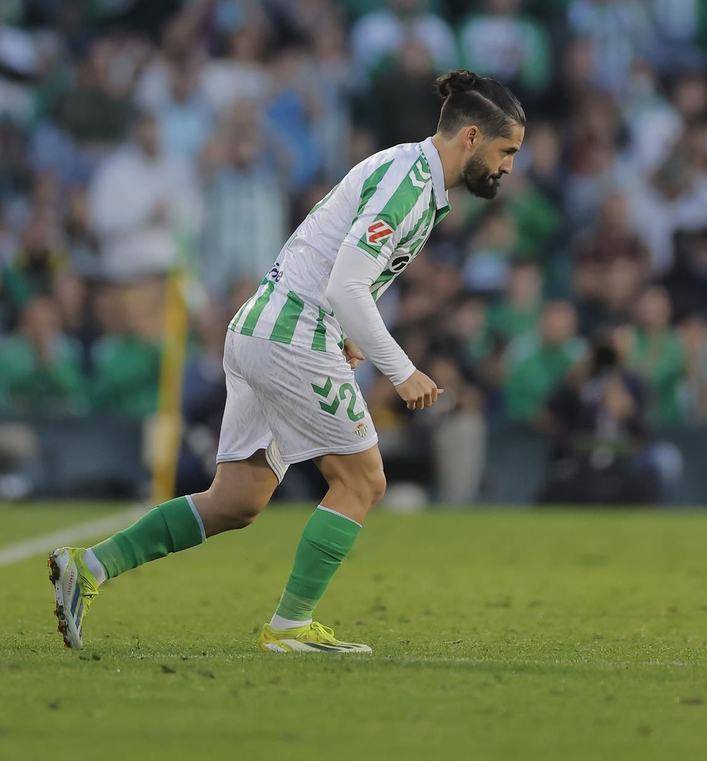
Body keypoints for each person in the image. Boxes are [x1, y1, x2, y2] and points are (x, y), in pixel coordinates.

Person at [48, 69, 526, 654]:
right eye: (507, 151)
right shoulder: (409, 182)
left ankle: (88, 568)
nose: (509, 166)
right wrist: (402, 371)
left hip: (262, 327)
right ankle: (290, 627)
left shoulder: (416, 178)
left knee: (237, 500)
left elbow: (333, 258)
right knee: (363, 481)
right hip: (293, 333)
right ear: (472, 136)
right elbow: (347, 287)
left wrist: (351, 335)